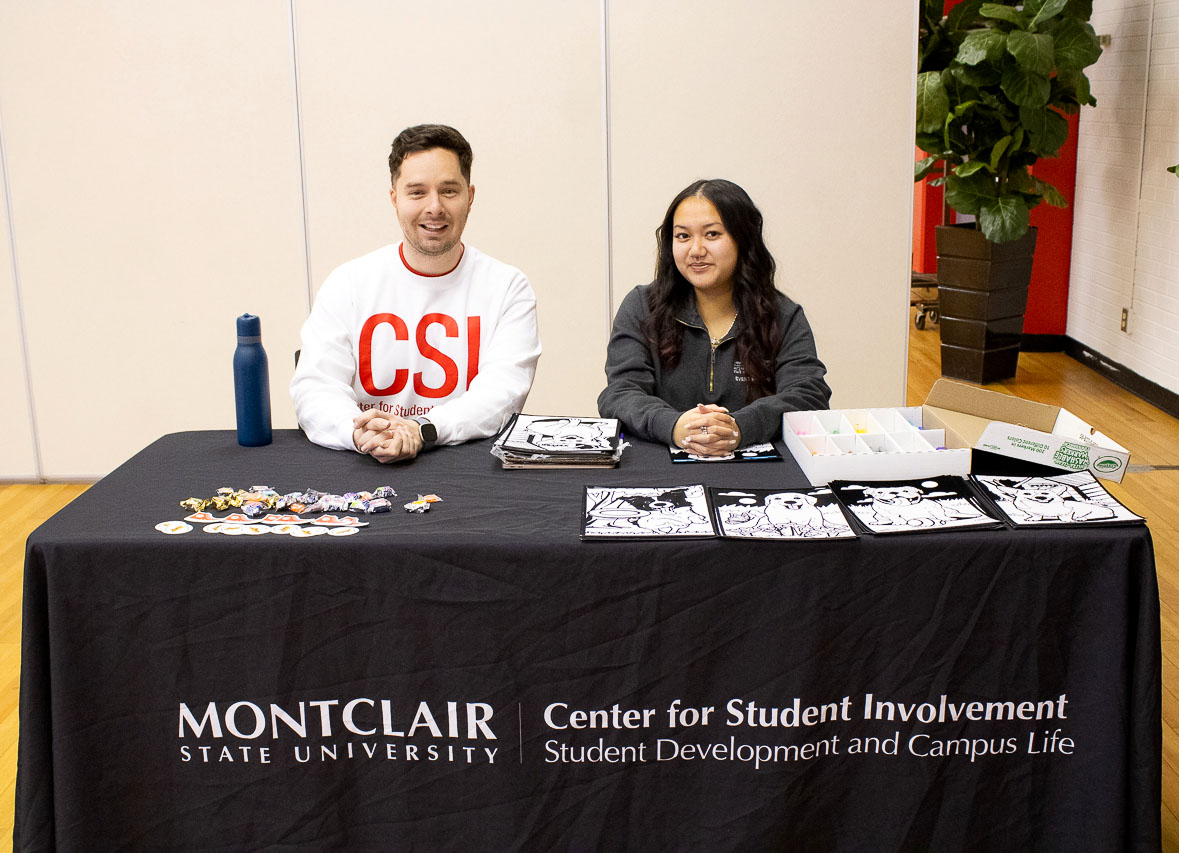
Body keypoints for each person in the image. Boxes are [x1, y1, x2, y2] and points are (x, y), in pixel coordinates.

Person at [291, 124, 542, 463]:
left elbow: (501, 396)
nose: (434, 207)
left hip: (465, 472)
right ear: (394, 199)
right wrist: (359, 433)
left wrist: (420, 429)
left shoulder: (508, 287)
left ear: (470, 196)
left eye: (449, 191)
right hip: (362, 468)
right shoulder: (348, 283)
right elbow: (315, 387)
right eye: (417, 192)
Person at [597, 179, 830, 456]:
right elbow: (620, 394)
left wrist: (737, 427)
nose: (696, 250)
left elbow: (808, 395)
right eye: (683, 236)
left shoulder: (782, 315)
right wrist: (674, 425)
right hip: (658, 469)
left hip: (759, 473)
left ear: (743, 238)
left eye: (712, 235)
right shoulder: (642, 306)